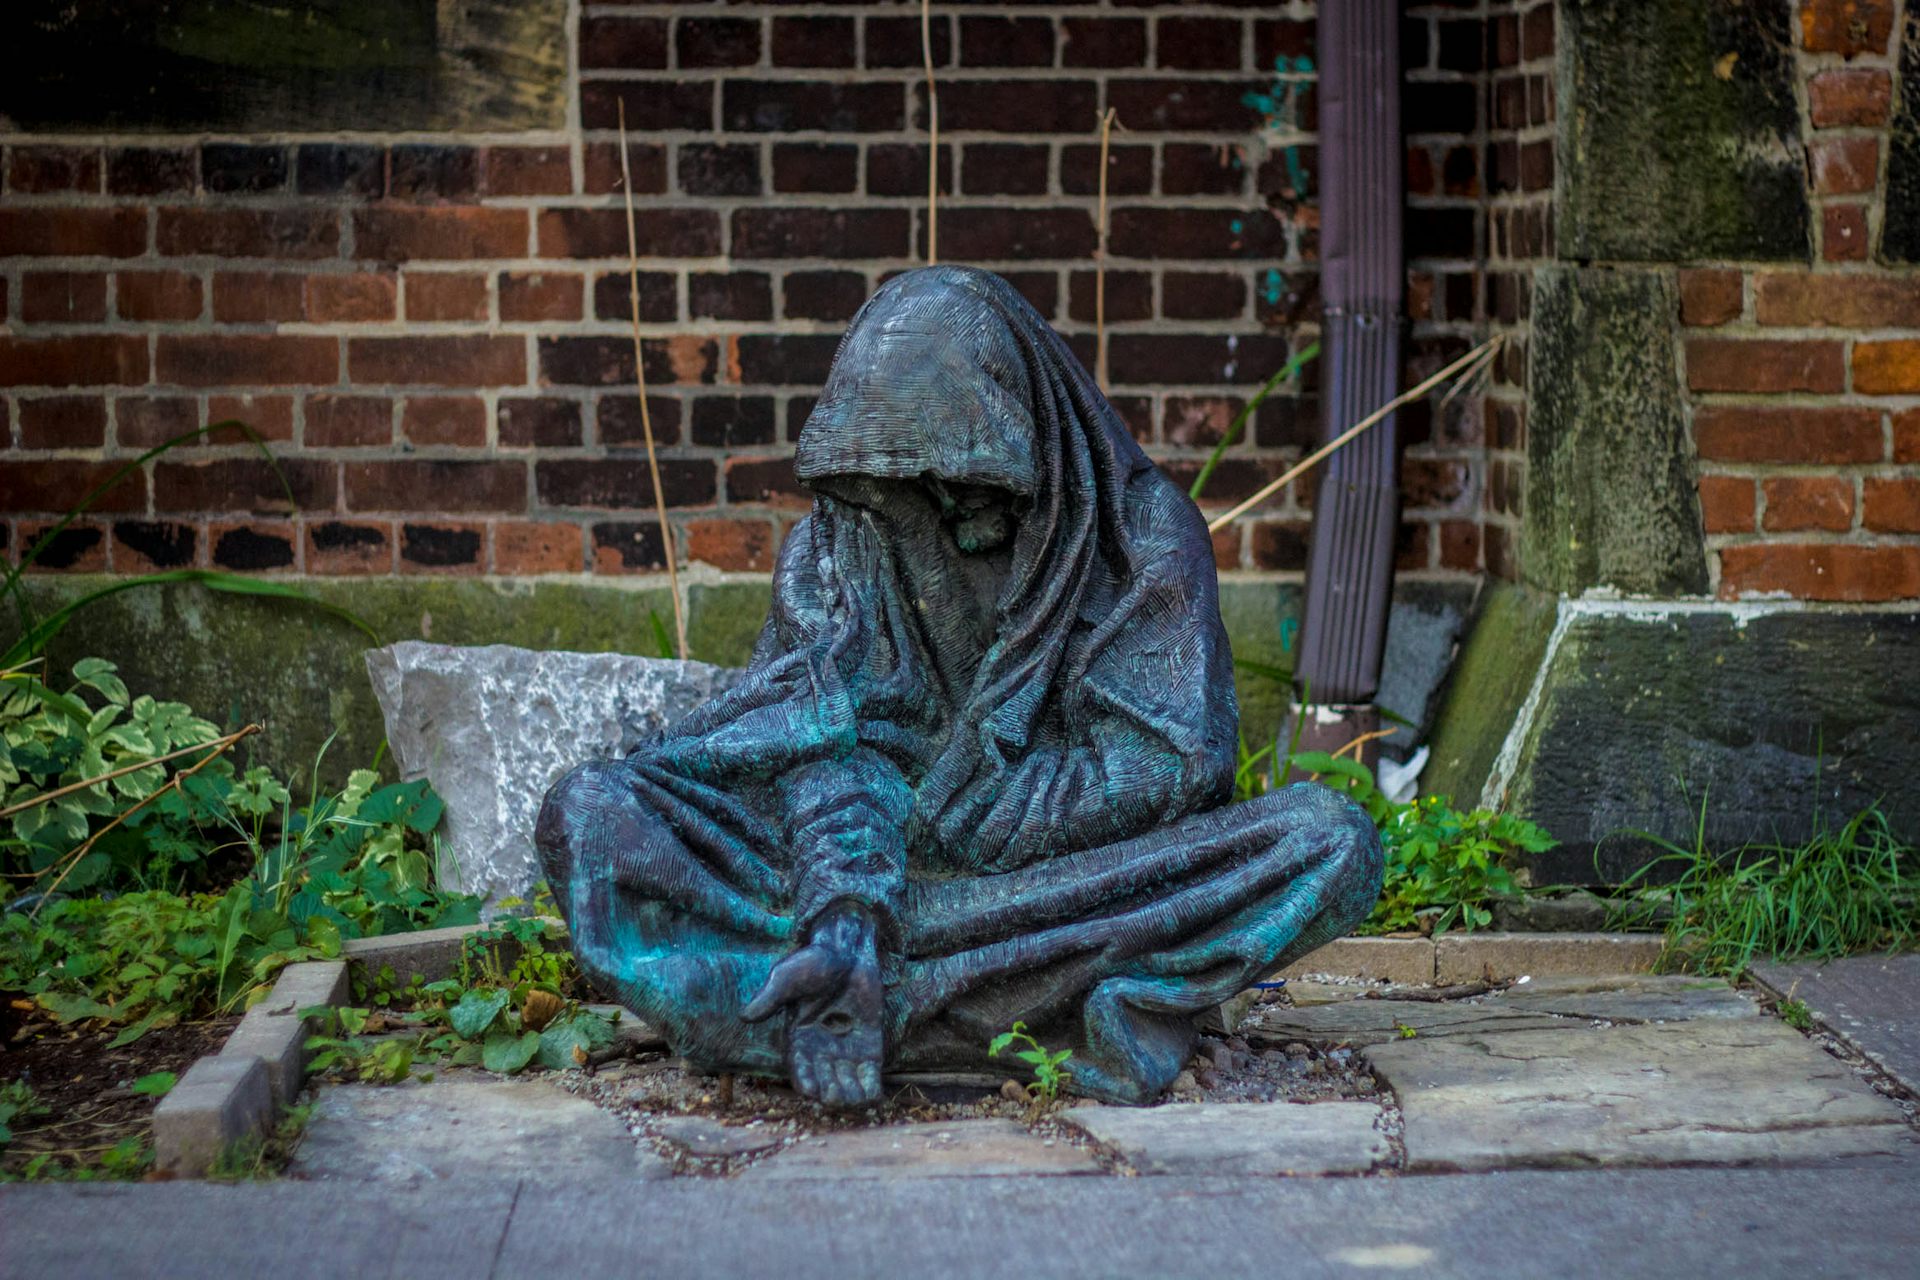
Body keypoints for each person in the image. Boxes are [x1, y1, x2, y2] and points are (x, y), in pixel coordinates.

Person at [536, 266, 1382, 1106]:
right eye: (916, 483)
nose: (951, 505)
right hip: (871, 872)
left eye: (972, 470)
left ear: (1029, 425)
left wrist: (974, 812)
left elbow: (1168, 767)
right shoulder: (836, 549)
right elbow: (828, 753)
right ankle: (877, 982)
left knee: (1328, 840)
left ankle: (838, 1006)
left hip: (1048, 889)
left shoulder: (1144, 537)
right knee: (589, 813)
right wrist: (846, 910)